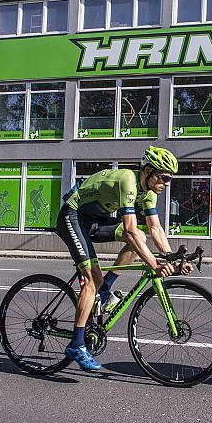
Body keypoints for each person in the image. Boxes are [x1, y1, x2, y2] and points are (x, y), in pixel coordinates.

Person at [55, 146, 191, 371]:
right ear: (148, 171)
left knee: (140, 236)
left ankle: (105, 289)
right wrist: (154, 264)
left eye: (170, 179)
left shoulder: (148, 193)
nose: (167, 183)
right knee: (91, 281)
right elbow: (128, 229)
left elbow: (155, 228)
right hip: (73, 216)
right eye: (165, 177)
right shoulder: (128, 179)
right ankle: (76, 344)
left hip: (94, 219)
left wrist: (172, 259)